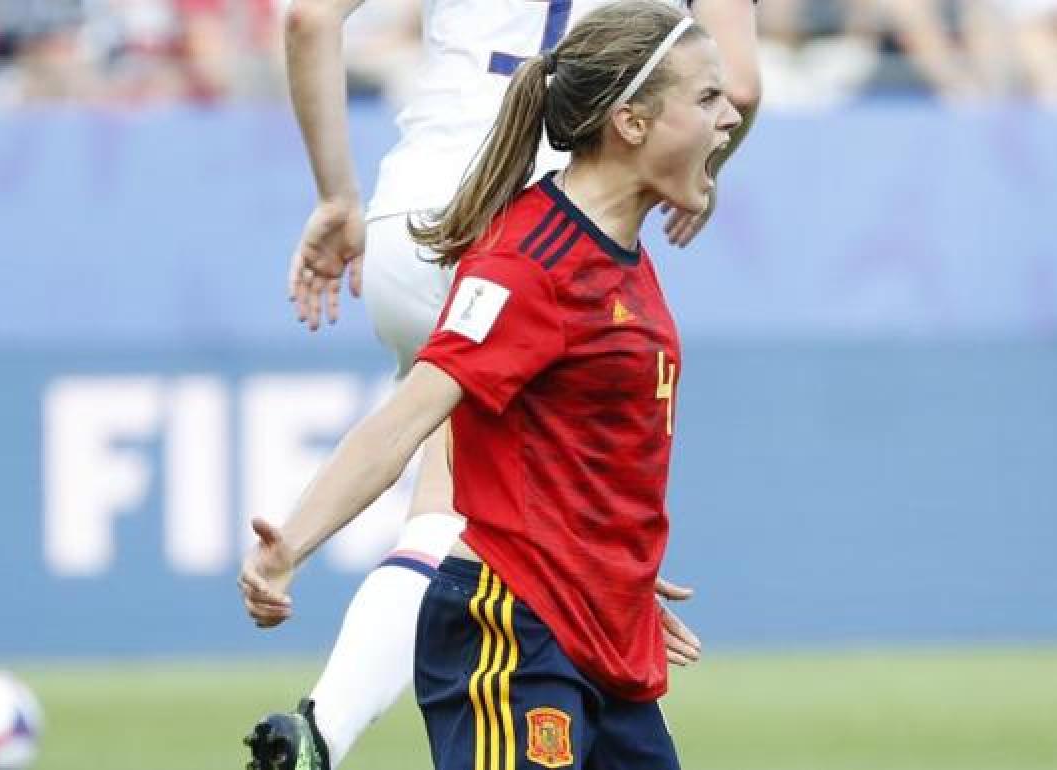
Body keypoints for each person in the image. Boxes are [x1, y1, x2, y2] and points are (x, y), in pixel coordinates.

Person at [241, 0, 759, 767]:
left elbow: (570, 444)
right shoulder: (530, 264)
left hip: (600, 637)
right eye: (707, 98)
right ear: (631, 123)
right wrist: (290, 547)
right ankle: (326, 725)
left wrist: (610, 577)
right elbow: (407, 417)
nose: (732, 115)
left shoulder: (620, 256)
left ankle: (328, 724)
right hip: (511, 636)